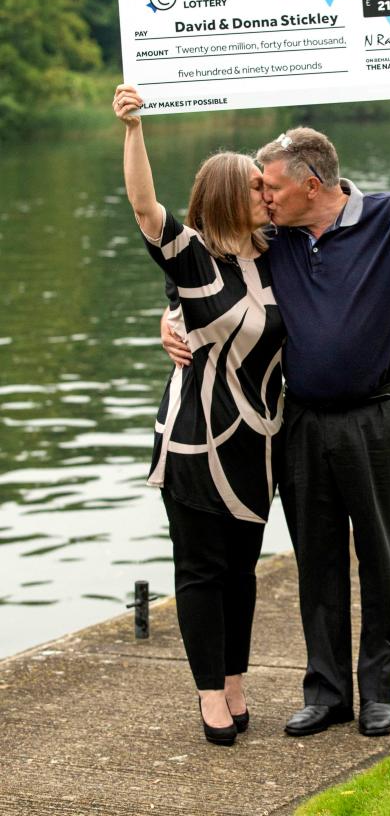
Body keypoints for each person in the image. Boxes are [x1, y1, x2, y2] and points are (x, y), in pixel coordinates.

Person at [162, 71, 390, 739]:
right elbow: (207, 275)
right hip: (301, 422)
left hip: (375, 418)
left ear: (312, 184)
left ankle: (378, 692)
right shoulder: (274, 239)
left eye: (272, 187)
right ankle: (327, 691)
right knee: (316, 563)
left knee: (379, 557)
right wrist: (168, 317)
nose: (263, 198)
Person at [113, 84, 285, 747]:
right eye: (253, 186)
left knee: (243, 569)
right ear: (223, 195)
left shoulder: (279, 255)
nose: (265, 194)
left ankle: (237, 683)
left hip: (257, 443)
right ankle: (211, 698)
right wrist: (133, 130)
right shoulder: (190, 255)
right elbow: (142, 205)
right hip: (194, 439)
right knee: (200, 569)